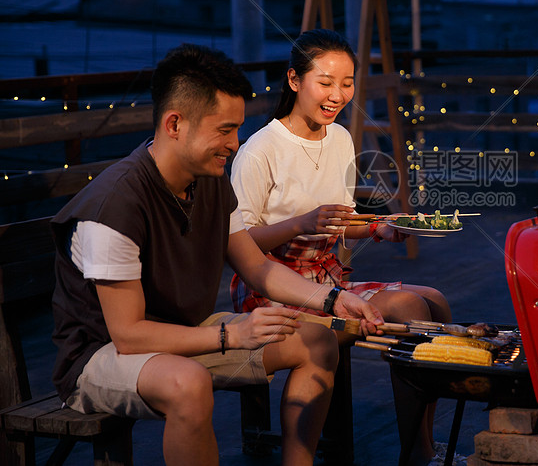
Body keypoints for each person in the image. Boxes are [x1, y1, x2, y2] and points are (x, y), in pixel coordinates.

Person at [50, 43, 383, 466]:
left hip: (183, 330)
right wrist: (231, 335)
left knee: (316, 340)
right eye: (225, 130)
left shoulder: (208, 181)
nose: (235, 143)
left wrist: (334, 300)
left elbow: (257, 266)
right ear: (175, 124)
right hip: (102, 354)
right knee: (188, 383)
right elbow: (129, 335)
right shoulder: (115, 205)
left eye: (238, 129)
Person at [228, 29, 452, 465]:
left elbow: (340, 223)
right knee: (410, 308)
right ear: (294, 81)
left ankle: (421, 449)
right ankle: (418, 454)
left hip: (325, 274)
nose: (337, 95)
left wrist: (378, 229)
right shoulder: (260, 151)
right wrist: (300, 223)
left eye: (346, 83)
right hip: (270, 285)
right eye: (325, 83)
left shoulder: (341, 139)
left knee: (437, 304)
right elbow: (239, 244)